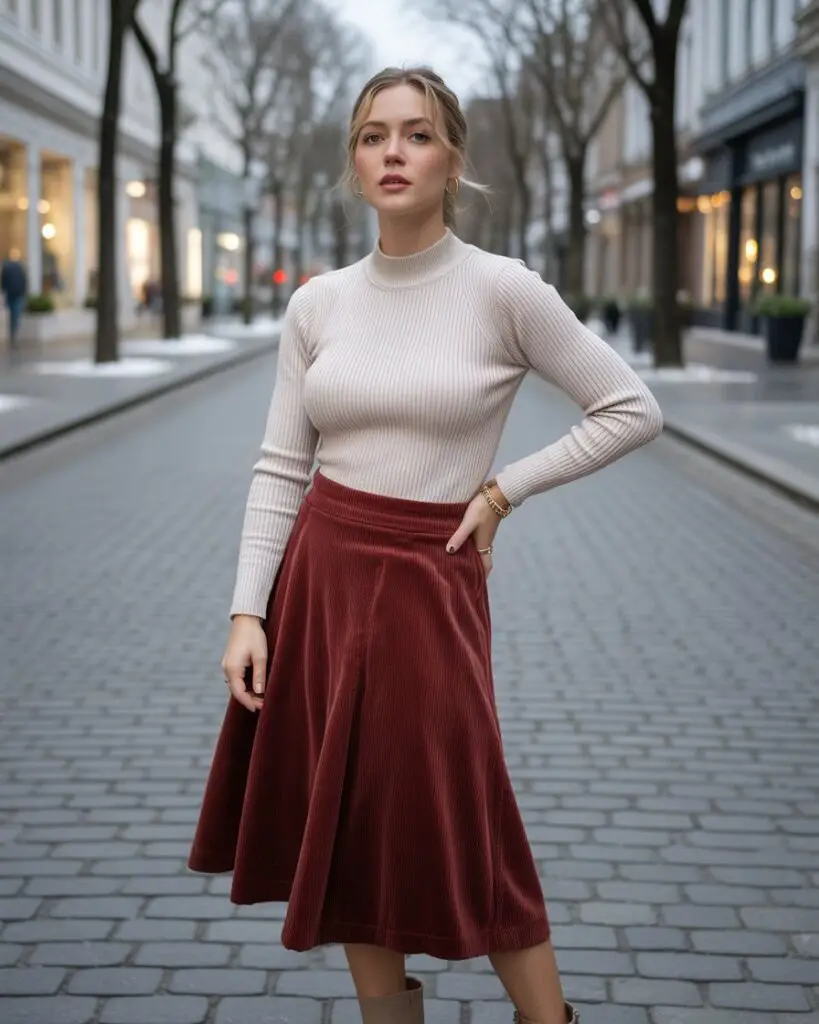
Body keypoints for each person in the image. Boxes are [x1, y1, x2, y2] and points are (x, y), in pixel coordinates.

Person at [188, 66, 664, 1024]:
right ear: (354, 164)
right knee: (351, 822)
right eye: (372, 136)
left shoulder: (504, 292)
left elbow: (631, 408)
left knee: (468, 819)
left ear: (452, 159)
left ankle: (547, 1016)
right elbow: (281, 467)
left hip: (428, 583)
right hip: (320, 583)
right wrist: (248, 608)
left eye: (414, 134)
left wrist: (502, 491)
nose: (392, 152)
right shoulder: (317, 305)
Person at [1, 250, 27, 350]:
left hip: (12, 294)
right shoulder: (19, 267)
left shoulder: (7, 267)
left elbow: (3, 281)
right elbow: (24, 281)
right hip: (16, 294)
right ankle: (14, 334)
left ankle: (13, 334)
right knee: (15, 315)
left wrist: (4, 291)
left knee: (13, 314)